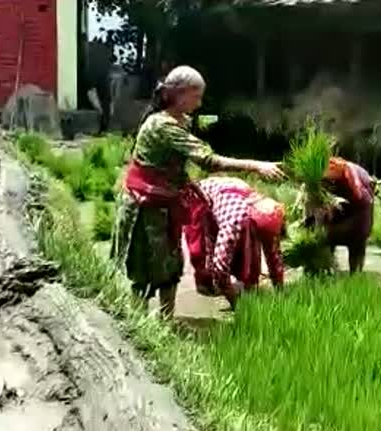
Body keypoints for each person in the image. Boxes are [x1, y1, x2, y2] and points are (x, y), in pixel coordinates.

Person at [110, 65, 284, 317]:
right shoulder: (161, 126)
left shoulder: (182, 121)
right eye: (197, 96)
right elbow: (207, 160)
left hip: (166, 204)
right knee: (145, 271)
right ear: (180, 95)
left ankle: (167, 323)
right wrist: (256, 165)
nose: (200, 102)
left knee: (171, 267)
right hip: (144, 206)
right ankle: (138, 329)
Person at [184, 176, 285, 309]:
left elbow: (273, 256)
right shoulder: (234, 221)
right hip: (201, 195)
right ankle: (206, 282)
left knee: (248, 249)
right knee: (202, 247)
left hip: (232, 193)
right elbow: (220, 267)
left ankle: (248, 282)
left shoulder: (269, 211)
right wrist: (235, 304)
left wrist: (282, 295)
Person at [304, 157, 375, 273]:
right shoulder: (321, 176)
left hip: (358, 213)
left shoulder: (353, 179)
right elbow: (314, 204)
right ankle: (327, 269)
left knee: (356, 244)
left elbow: (364, 199)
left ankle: (355, 276)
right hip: (338, 210)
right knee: (326, 239)